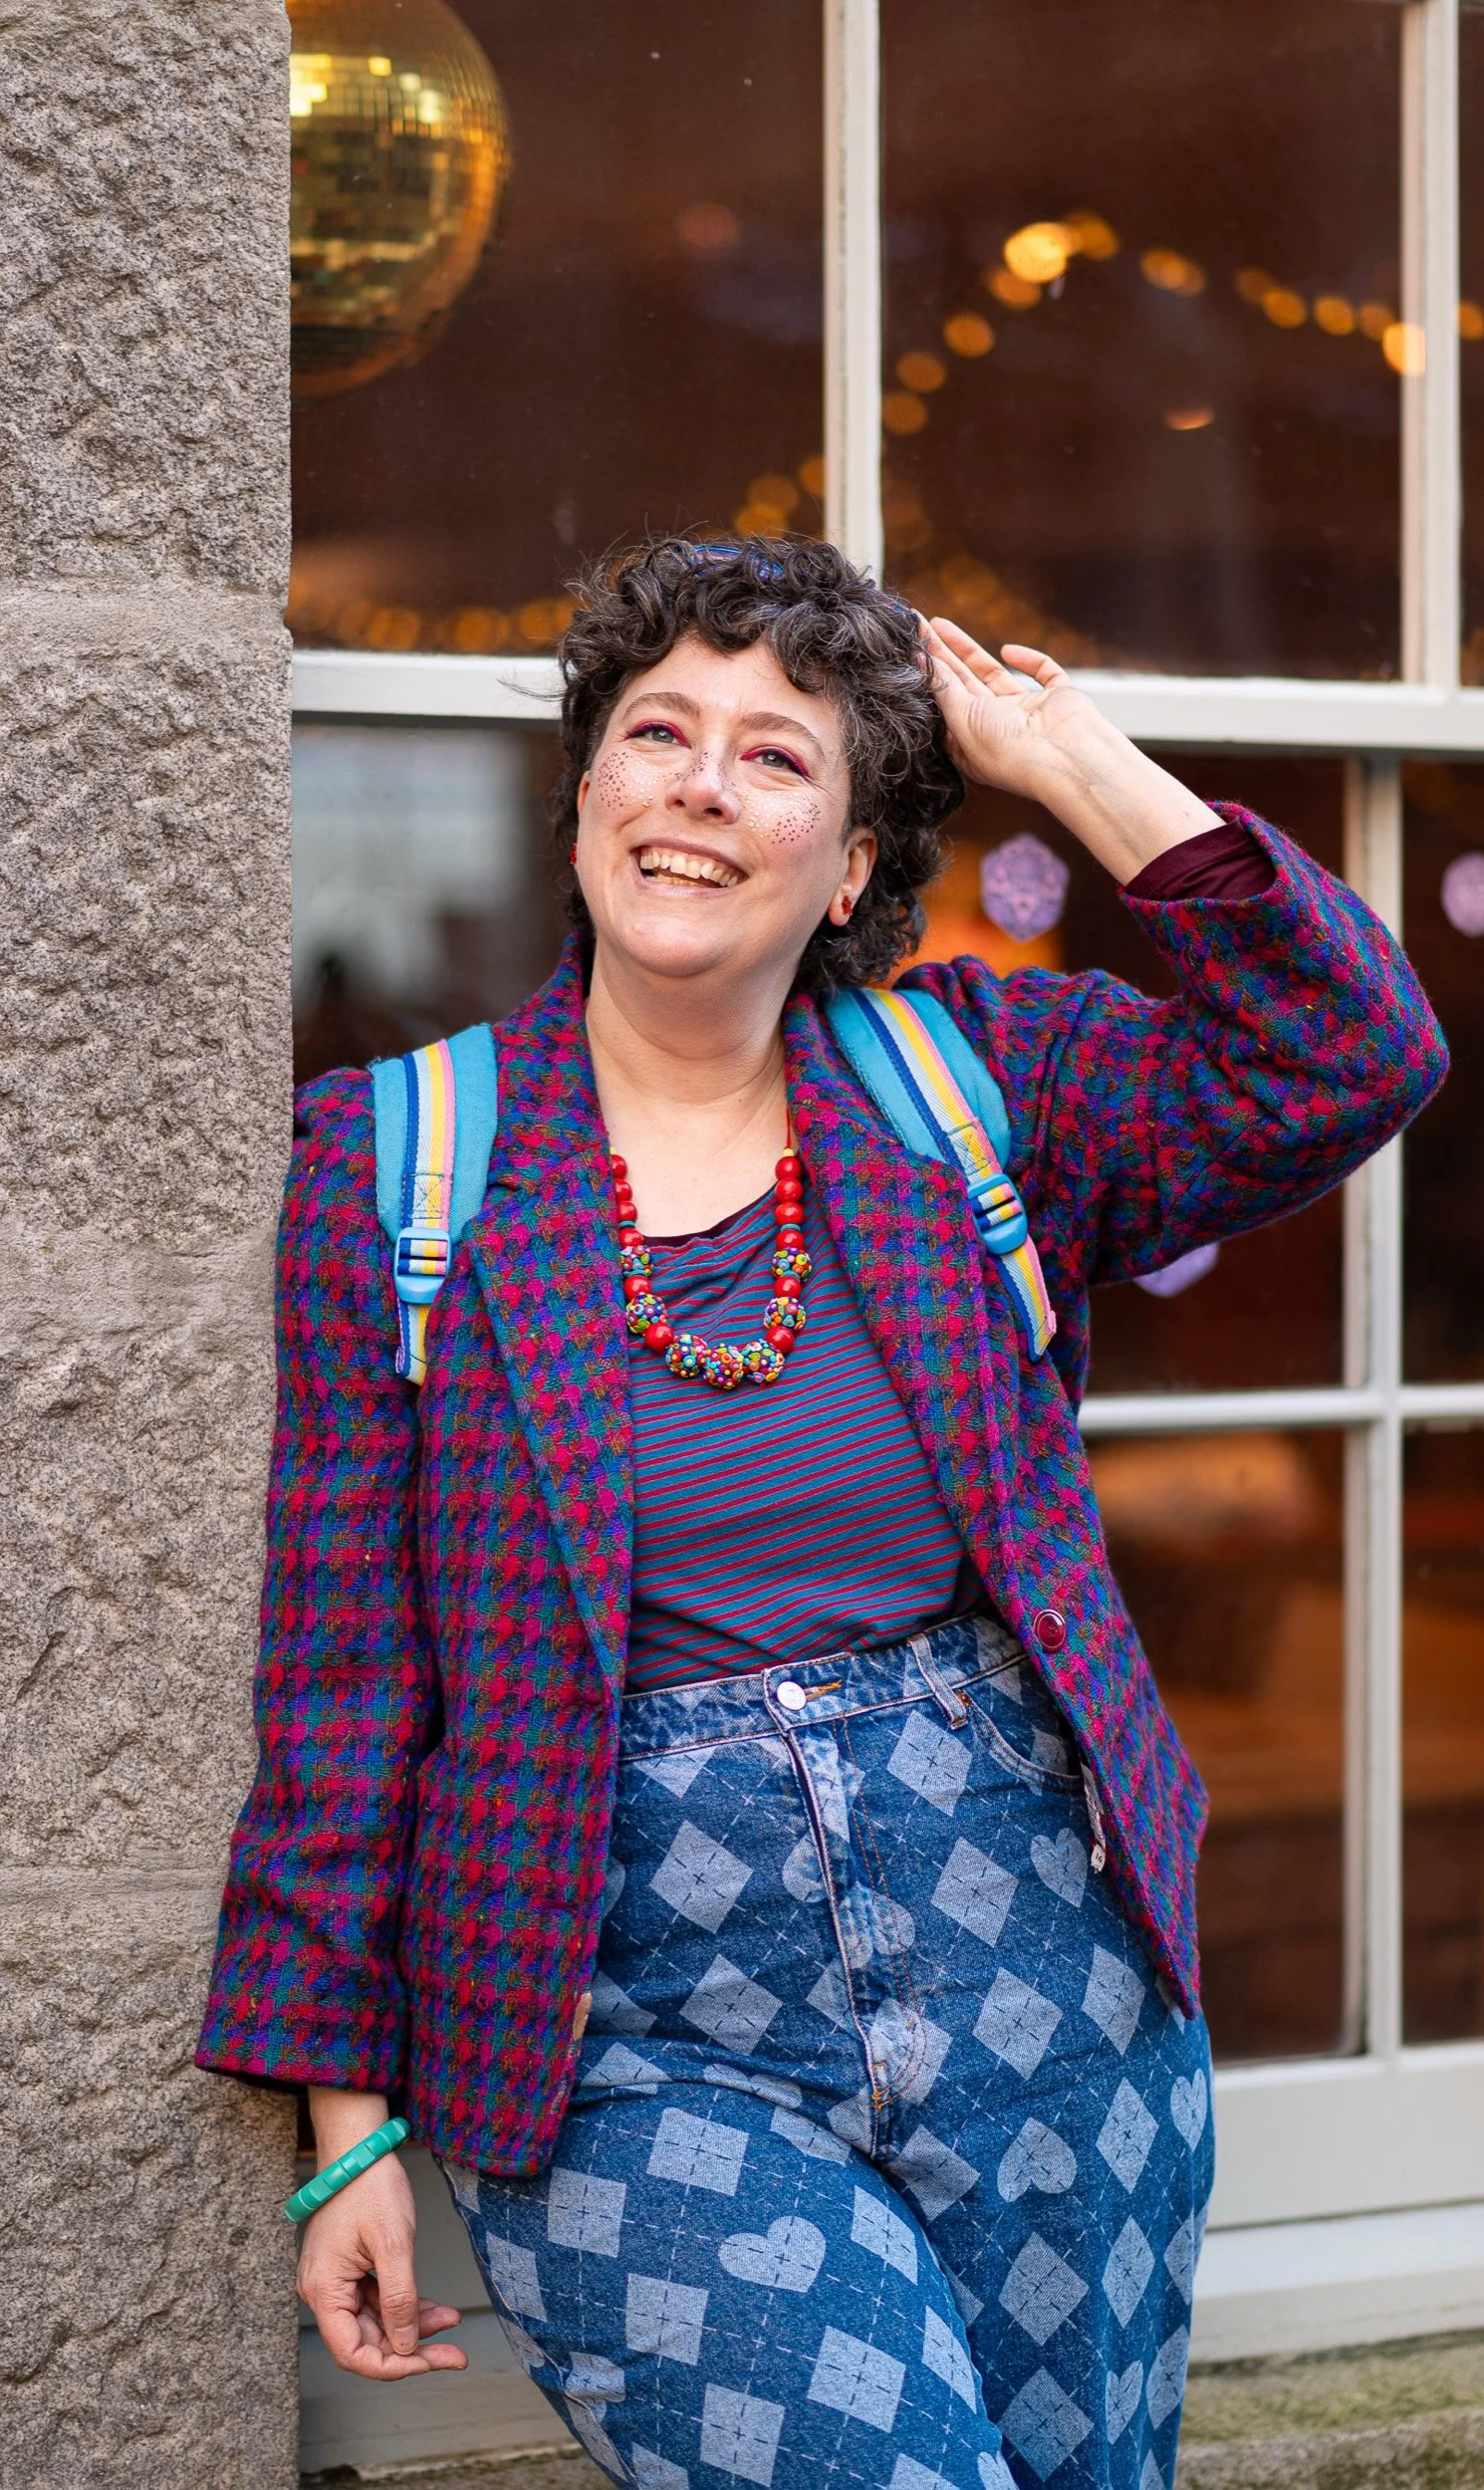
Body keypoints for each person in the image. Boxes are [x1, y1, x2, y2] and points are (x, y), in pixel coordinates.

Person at [198, 537, 1444, 2490]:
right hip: (619, 2021)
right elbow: (345, 1677)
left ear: (853, 863)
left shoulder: (974, 1084)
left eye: (777, 757)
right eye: (656, 733)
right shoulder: (394, 1160)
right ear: (587, 795)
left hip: (1034, 1961)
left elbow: (1348, 1049)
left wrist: (1069, 754)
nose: (700, 781)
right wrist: (344, 2114)